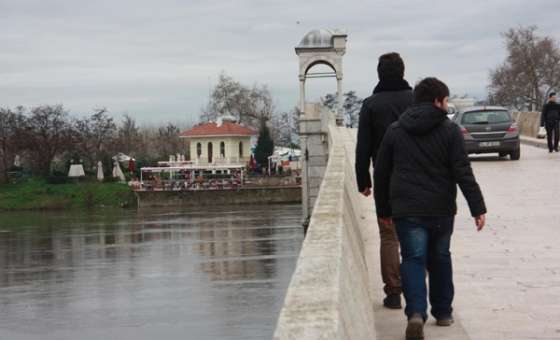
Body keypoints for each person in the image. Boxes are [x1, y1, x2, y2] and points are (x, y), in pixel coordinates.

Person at [373, 77, 487, 340]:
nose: (447, 106)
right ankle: (444, 312)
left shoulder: (395, 130)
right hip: (441, 209)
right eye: (446, 100)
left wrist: (383, 210)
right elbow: (463, 172)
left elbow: (381, 173)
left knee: (412, 259)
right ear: (437, 101)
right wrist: (477, 207)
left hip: (406, 209)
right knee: (440, 256)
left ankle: (415, 313)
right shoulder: (449, 131)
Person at [355, 52, 414, 309]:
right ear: (402, 71)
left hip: (385, 177)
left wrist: (363, 180)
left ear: (379, 73)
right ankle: (416, 290)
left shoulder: (370, 105)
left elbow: (363, 147)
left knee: (389, 235)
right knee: (415, 232)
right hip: (416, 176)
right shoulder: (416, 100)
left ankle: (393, 292)